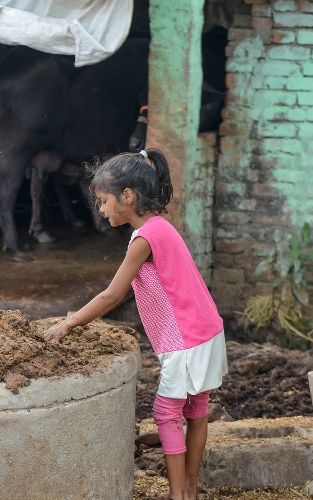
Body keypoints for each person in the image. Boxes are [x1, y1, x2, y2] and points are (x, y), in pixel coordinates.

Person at [43, 148, 228, 500]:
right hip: (206, 331)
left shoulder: (144, 239)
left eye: (102, 201)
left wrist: (69, 324)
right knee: (197, 409)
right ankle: (189, 489)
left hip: (184, 339)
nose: (100, 209)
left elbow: (112, 295)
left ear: (127, 197)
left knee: (165, 412)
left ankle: (178, 495)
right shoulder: (160, 227)